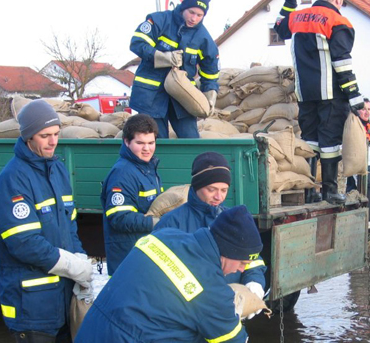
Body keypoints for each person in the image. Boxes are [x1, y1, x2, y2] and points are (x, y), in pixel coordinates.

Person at [75, 205, 262, 342]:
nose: (242, 270)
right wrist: (231, 316)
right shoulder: (211, 290)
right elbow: (235, 340)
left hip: (92, 331)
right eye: (242, 262)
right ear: (227, 251)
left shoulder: (163, 237)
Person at [0, 100, 93, 342]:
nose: (53, 141)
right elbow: (24, 243)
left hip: (62, 301)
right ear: (28, 137)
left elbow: (70, 225)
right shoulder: (12, 180)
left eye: (56, 134)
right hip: (32, 307)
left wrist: (79, 257)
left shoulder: (57, 170)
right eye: (45, 136)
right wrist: (70, 264)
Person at [274, 0, 365, 204]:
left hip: (305, 93)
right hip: (331, 94)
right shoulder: (338, 22)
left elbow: (279, 27)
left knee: (310, 141)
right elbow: (342, 62)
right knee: (330, 143)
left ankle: (309, 191)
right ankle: (330, 191)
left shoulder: (297, 17)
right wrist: (354, 96)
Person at [154, 152, 267, 313]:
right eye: (211, 189)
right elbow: (160, 276)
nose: (218, 196)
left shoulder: (232, 219)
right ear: (197, 186)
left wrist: (254, 283)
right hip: (187, 311)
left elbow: (253, 259)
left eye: (224, 190)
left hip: (230, 306)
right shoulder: (172, 223)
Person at [129, 0, 219, 139]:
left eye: (199, 15)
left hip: (182, 98)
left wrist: (210, 92)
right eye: (191, 12)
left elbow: (210, 70)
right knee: (157, 143)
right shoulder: (159, 21)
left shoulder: (204, 38)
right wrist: (162, 57)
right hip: (151, 96)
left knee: (191, 140)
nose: (194, 18)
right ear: (183, 6)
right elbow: (137, 43)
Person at [101, 113, 162, 276]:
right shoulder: (123, 173)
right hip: (127, 259)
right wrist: (156, 222)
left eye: (151, 142)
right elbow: (119, 218)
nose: (147, 148)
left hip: (142, 255)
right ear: (127, 142)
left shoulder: (147, 168)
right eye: (140, 143)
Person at [346, 98, 370, 238]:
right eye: (363, 109)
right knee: (354, 200)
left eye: (369, 109)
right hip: (357, 173)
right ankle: (354, 231)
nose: (367, 112)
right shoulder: (354, 127)